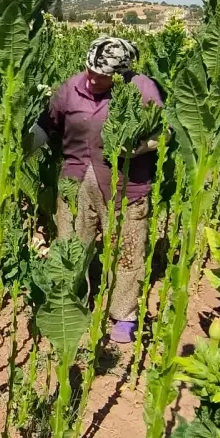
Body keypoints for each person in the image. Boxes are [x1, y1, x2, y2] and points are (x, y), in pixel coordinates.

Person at [36, 36, 164, 344]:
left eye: (103, 75)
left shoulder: (142, 89)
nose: (93, 79)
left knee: (127, 251)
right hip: (75, 182)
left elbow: (164, 131)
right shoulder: (71, 88)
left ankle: (123, 314)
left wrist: (141, 146)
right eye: (90, 70)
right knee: (70, 246)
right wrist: (25, 141)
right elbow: (47, 124)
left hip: (125, 186)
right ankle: (68, 302)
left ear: (120, 74)